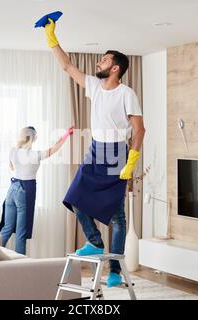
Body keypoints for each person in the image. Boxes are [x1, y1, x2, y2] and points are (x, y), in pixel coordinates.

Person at [41, 18, 145, 287]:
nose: (98, 63)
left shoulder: (127, 93)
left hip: (116, 153)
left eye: (103, 60)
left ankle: (114, 271)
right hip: (96, 149)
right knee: (74, 197)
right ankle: (95, 242)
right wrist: (51, 37)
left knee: (118, 215)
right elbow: (66, 66)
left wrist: (131, 161)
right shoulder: (95, 86)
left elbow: (140, 129)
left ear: (115, 67)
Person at [0, 126, 74, 255]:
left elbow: (11, 167)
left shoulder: (13, 151)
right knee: (21, 232)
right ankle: (20, 265)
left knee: (7, 228)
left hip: (12, 189)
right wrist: (66, 135)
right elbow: (54, 148)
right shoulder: (35, 155)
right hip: (25, 191)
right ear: (34, 138)